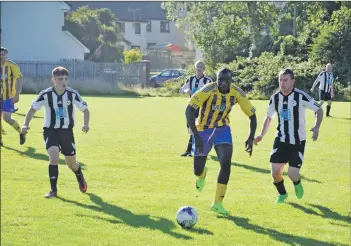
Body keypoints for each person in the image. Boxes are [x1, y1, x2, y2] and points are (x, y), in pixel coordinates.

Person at [186, 68, 257, 215]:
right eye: (220, 80)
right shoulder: (208, 90)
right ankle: (202, 174)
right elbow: (189, 110)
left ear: (231, 81)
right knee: (197, 170)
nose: (222, 83)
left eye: (225, 81)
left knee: (225, 163)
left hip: (222, 129)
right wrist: (196, 137)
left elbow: (252, 115)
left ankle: (217, 203)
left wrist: (251, 138)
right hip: (203, 130)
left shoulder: (237, 93)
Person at [254, 68, 323, 203]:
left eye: (285, 80)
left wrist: (316, 127)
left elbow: (319, 110)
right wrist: (261, 135)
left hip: (298, 141)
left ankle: (297, 183)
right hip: (281, 138)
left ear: (293, 81)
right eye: (280, 80)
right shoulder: (275, 98)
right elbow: (269, 118)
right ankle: (282, 194)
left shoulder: (300, 96)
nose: (282, 82)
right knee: (275, 172)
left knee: (292, 173)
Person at [21, 66, 90, 198]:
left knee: (71, 164)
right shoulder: (45, 94)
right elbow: (32, 109)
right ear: (53, 80)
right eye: (60, 79)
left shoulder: (72, 93)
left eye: (65, 79)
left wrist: (86, 124)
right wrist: (25, 124)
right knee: (53, 157)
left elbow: (85, 110)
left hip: (66, 132)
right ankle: (53, 191)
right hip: (50, 130)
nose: (63, 82)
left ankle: (79, 175)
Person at [179, 60, 212, 157]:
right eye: (198, 66)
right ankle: (191, 150)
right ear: (195, 68)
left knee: (199, 128)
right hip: (192, 107)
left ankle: (193, 150)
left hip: (202, 108)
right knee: (191, 128)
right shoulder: (190, 79)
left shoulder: (208, 81)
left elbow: (212, 93)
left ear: (204, 69)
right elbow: (182, 89)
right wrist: (186, 91)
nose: (199, 68)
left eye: (201, 66)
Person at [0, 47, 25, 146]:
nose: (1, 57)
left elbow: (20, 79)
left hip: (8, 96)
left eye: (3, 54)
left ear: (6, 54)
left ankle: (21, 132)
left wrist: (17, 94)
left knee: (7, 119)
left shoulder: (11, 65)